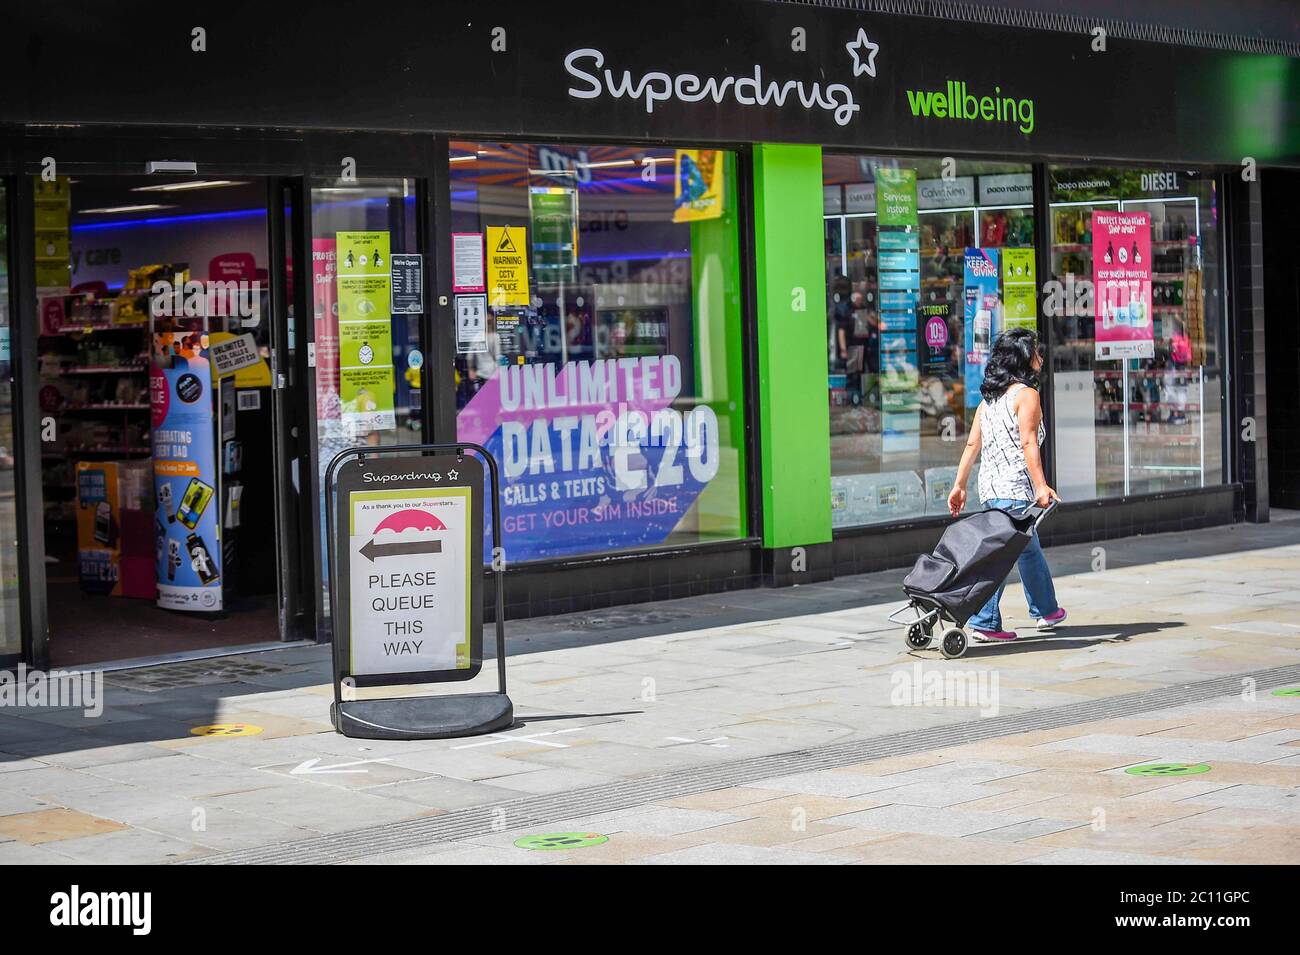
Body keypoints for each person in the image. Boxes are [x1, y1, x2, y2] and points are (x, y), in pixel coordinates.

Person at [947, 327, 1067, 642]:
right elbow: (1029, 443)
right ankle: (985, 621)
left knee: (1027, 549)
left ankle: (1046, 609)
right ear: (1025, 359)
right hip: (1015, 490)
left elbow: (972, 445)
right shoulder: (1027, 395)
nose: (1041, 357)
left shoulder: (990, 401)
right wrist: (1041, 487)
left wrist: (959, 485)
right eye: (1036, 352)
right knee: (1005, 554)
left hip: (992, 490)